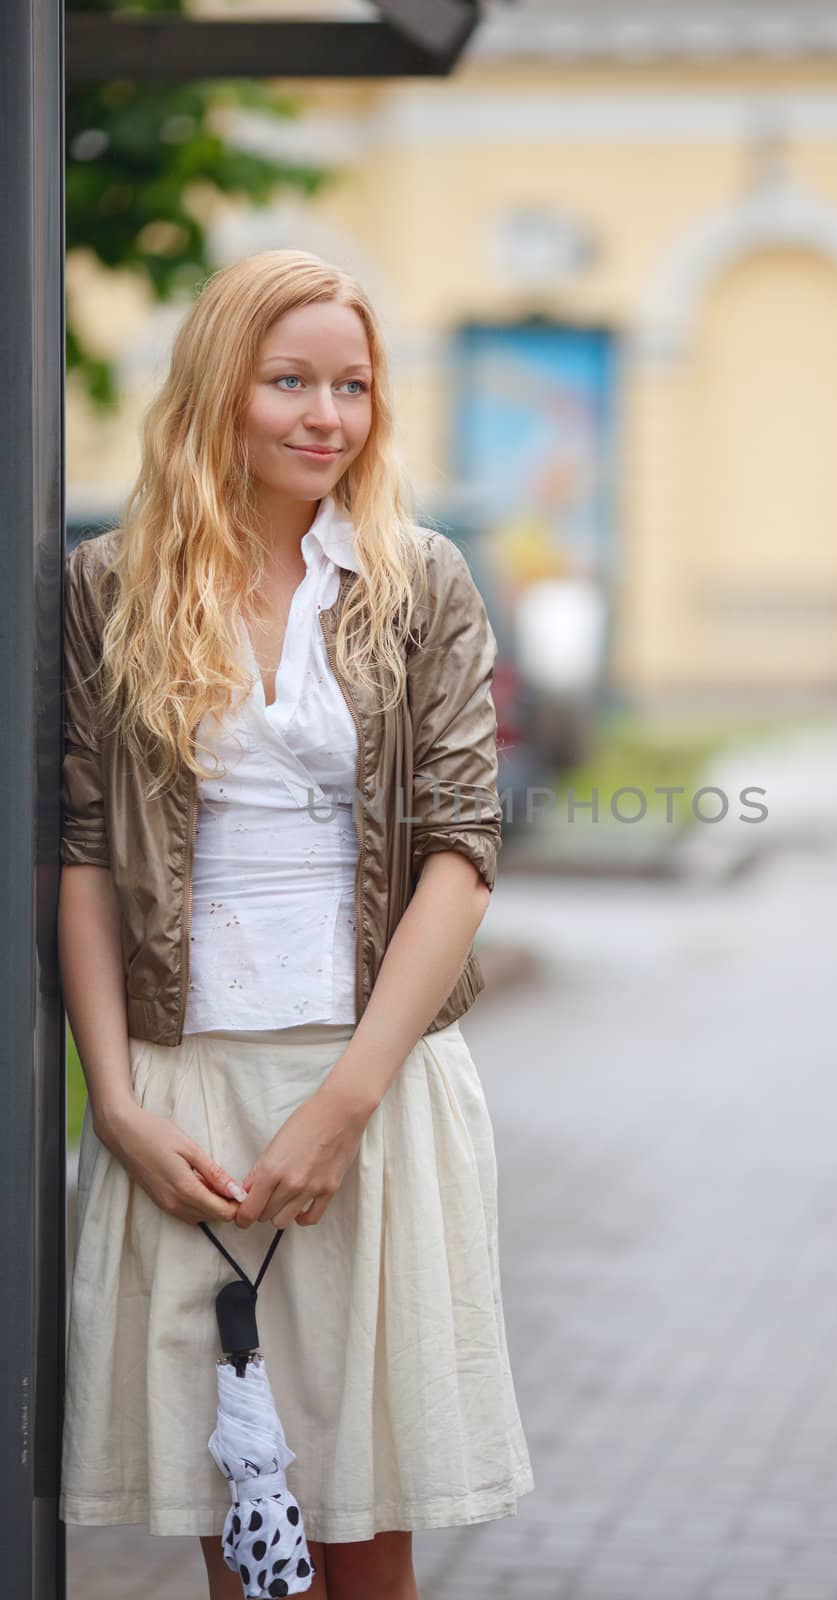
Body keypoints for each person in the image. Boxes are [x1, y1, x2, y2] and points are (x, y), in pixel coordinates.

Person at [58, 248, 534, 1599]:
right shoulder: (111, 588)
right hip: (188, 1088)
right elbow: (84, 855)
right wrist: (118, 1101)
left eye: (353, 386)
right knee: (245, 1535)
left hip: (373, 1083)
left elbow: (460, 849)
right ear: (221, 389)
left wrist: (344, 1103)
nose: (327, 415)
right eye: (289, 382)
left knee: (366, 1536)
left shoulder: (419, 581)